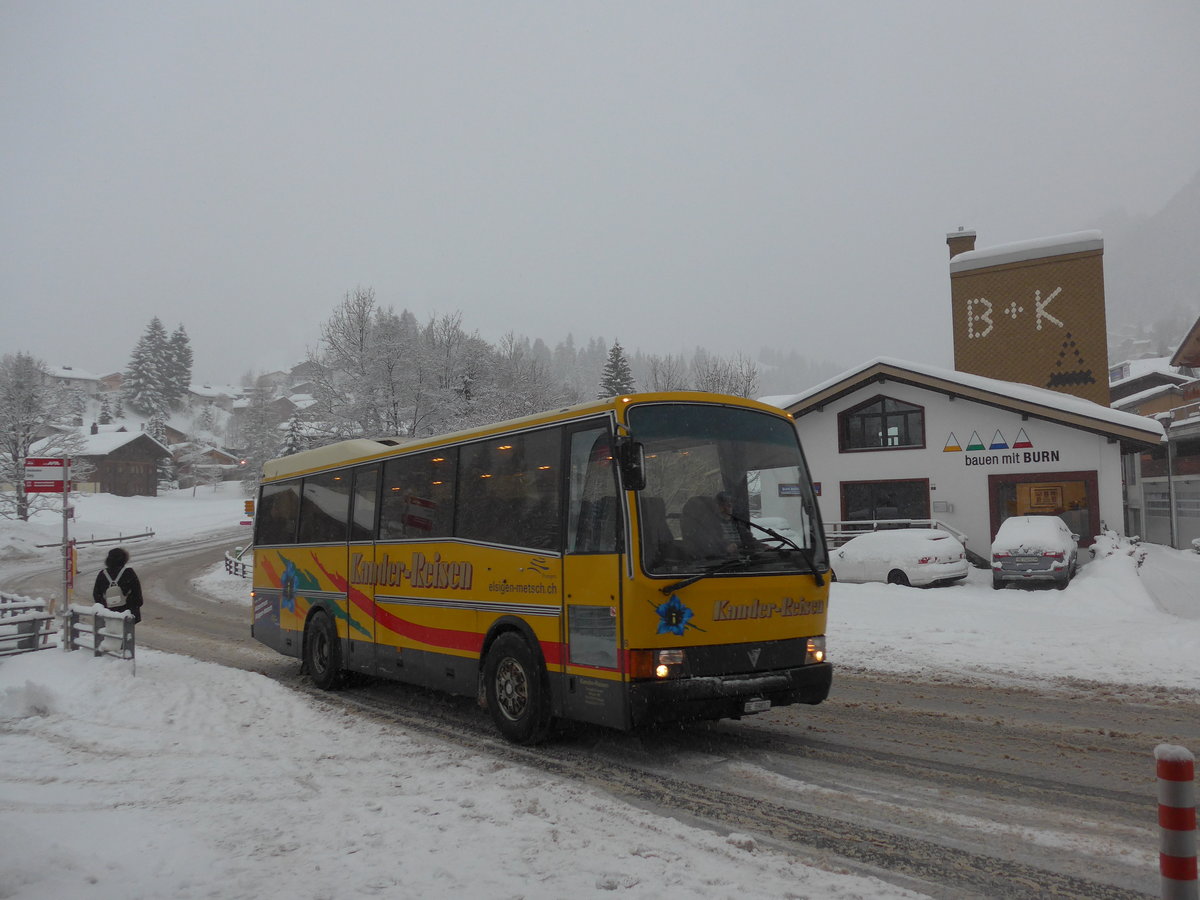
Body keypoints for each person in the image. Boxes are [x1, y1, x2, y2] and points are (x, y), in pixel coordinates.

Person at [92, 547, 144, 623]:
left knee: (109, 633)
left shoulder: (102, 574)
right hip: (126, 614)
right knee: (126, 634)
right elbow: (137, 595)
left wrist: (106, 606)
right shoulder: (129, 573)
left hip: (108, 613)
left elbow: (96, 594)